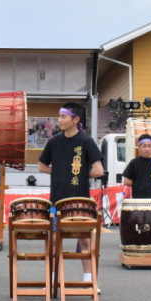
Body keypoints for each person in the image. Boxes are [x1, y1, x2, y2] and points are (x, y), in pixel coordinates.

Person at [37, 102, 104, 283]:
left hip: (80, 200)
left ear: (76, 120)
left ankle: (88, 280)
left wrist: (79, 173)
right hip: (55, 202)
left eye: (63, 117)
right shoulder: (54, 141)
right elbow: (41, 166)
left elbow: (99, 170)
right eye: (59, 116)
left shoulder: (86, 141)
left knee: (84, 240)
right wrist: (60, 171)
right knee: (52, 240)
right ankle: (51, 281)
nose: (59, 120)